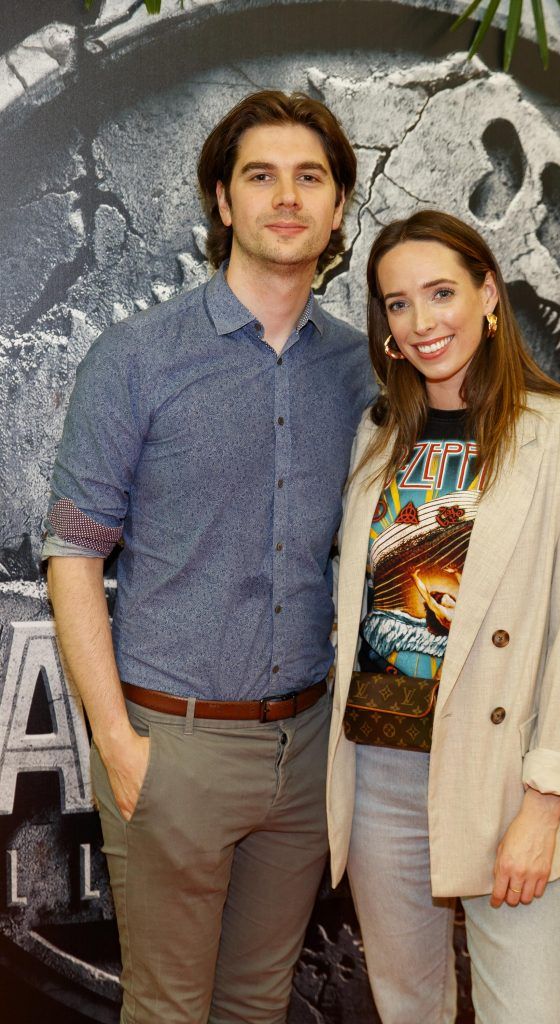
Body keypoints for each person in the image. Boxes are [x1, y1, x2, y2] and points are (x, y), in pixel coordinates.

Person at [43, 90, 375, 1024]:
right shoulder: (136, 359)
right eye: (259, 175)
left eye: (309, 177)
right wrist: (116, 741)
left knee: (259, 1005)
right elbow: (72, 555)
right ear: (221, 203)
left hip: (309, 746)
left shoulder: (362, 372)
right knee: (168, 1009)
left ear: (338, 206)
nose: (285, 196)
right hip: (171, 742)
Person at [326, 210, 560, 1024]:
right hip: (380, 770)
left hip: (508, 778)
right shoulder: (377, 438)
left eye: (440, 293)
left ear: (488, 295)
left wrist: (544, 804)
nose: (421, 323)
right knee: (407, 1009)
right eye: (396, 304)